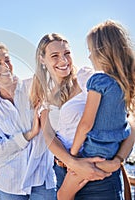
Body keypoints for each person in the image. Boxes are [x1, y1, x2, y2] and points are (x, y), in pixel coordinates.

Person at [30, 33, 135, 199]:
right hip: (65, 173)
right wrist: (74, 164)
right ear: (42, 60)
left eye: (67, 54)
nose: (63, 61)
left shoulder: (88, 78)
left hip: (99, 174)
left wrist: (119, 159)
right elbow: (49, 136)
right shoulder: (44, 93)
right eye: (55, 56)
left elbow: (129, 119)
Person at [58, 20, 135, 199]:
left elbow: (85, 124)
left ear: (102, 52)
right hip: (111, 155)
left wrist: (73, 156)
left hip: (91, 154)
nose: (90, 57)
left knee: (62, 195)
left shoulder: (98, 81)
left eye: (91, 51)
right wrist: (117, 160)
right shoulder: (125, 83)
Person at [0, 41, 56, 199]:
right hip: (10, 185)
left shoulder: (35, 87)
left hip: (43, 181)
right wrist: (29, 134)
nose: (5, 66)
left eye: (7, 60)